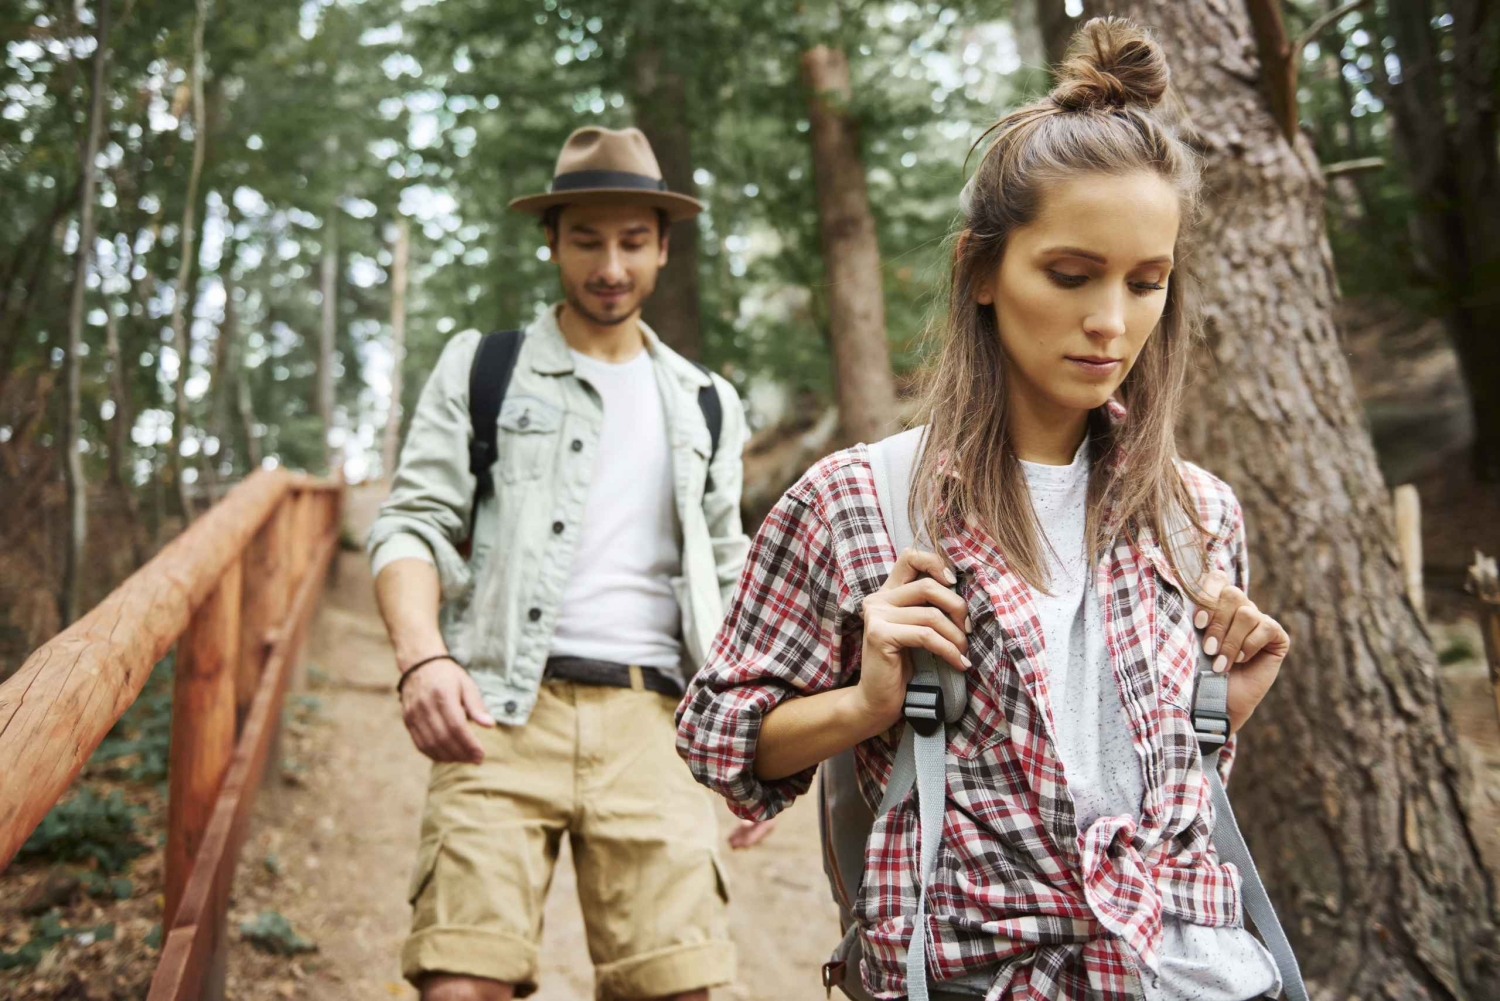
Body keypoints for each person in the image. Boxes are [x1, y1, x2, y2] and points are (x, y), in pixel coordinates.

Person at [677, 18, 1291, 1001]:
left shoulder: (1199, 514)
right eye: (1070, 273)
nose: (1112, 320)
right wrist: (868, 702)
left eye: (1147, 282)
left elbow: (1146, 794)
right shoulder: (859, 501)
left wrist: (1223, 710)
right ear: (981, 271)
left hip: (1195, 974)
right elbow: (720, 738)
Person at [369, 125, 770, 1001]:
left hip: (655, 727)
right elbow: (411, 523)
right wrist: (422, 658)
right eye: (587, 239)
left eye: (632, 241)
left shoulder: (706, 402)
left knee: (682, 987)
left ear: (663, 246)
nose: (611, 266)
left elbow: (731, 573)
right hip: (499, 712)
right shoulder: (485, 367)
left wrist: (753, 742)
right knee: (459, 982)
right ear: (551, 240)